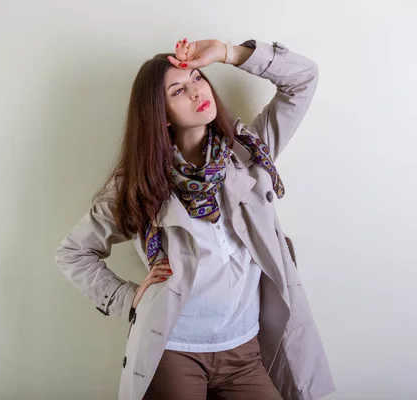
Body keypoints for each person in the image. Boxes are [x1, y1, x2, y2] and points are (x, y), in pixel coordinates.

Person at [55, 37, 335, 400]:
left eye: (198, 79)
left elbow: (303, 79)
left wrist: (228, 54)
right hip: (174, 350)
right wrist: (127, 299)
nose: (196, 91)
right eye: (178, 90)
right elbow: (74, 253)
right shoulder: (140, 184)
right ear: (161, 115)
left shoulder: (246, 153)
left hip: (246, 351)